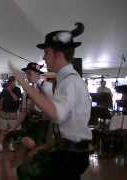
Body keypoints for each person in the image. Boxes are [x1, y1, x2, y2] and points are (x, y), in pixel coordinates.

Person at [10, 23, 92, 180]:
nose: (43, 57)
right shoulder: (67, 80)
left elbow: (57, 113)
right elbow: (58, 106)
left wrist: (26, 84)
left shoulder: (70, 82)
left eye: (46, 52)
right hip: (70, 153)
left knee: (23, 173)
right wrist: (45, 147)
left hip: (71, 156)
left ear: (58, 54)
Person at [0, 76, 22, 153]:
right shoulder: (4, 90)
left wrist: (10, 91)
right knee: (2, 129)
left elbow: (16, 99)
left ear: (15, 82)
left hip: (13, 113)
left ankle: (11, 145)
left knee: (11, 130)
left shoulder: (17, 89)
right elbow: (1, 99)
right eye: (10, 82)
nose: (11, 83)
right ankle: (0, 145)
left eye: (12, 81)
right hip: (3, 112)